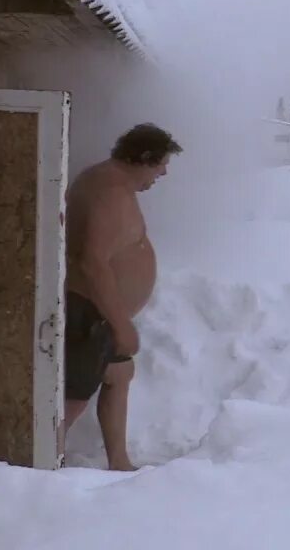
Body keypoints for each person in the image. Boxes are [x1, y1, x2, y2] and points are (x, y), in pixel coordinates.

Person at [63, 123, 182, 470]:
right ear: (144, 158)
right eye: (161, 163)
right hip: (91, 310)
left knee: (118, 375)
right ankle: (38, 467)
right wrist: (120, 325)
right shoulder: (110, 192)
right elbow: (92, 263)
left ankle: (119, 461)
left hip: (101, 310)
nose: (163, 172)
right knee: (72, 399)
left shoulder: (114, 186)